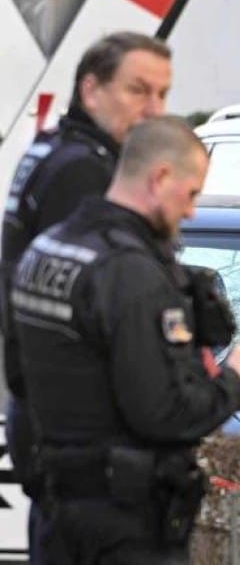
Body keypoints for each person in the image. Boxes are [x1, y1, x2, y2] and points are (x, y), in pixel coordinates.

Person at [11, 116, 240, 562]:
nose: (190, 211)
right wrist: (236, 381)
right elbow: (165, 414)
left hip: (57, 509)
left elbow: (22, 371)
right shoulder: (129, 275)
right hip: (125, 522)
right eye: (190, 194)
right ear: (160, 178)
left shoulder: (48, 248)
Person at [0, 31, 172, 563]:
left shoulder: (57, 148)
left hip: (47, 418)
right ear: (90, 89)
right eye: (138, 91)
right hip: (74, 431)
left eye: (163, 94)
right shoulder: (85, 171)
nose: (154, 110)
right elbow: (85, 309)